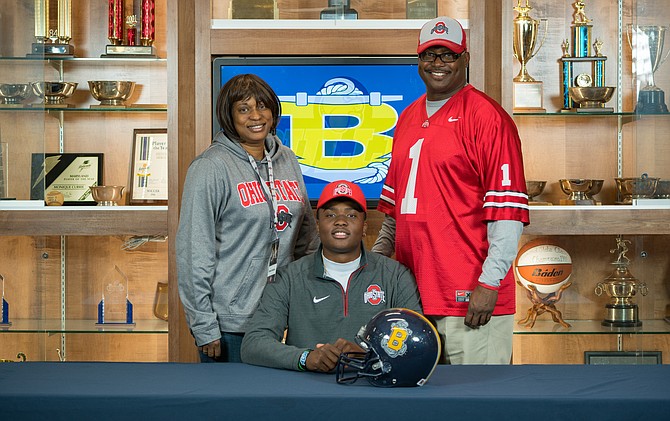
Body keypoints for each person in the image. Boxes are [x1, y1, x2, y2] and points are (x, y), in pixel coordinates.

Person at [372, 17, 530, 365]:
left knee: (478, 403)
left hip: (469, 298)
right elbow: (395, 214)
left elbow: (507, 214)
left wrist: (489, 285)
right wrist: (376, 268)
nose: (438, 64)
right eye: (430, 55)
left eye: (448, 55)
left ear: (465, 59)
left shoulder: (487, 117)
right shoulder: (408, 118)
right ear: (419, 60)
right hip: (413, 299)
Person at [177, 74, 319, 363]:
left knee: (282, 405)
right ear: (229, 116)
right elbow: (194, 252)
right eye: (243, 109)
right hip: (231, 323)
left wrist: (309, 304)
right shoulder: (210, 168)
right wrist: (204, 325)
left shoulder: (287, 159)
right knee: (231, 408)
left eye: (263, 106)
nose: (256, 116)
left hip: (283, 317)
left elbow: (308, 240)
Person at [241, 180, 422, 372]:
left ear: (365, 226)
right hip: (308, 390)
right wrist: (305, 357)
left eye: (351, 214)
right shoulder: (289, 278)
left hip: (372, 388)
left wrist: (370, 356)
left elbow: (416, 342)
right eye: (330, 214)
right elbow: (253, 343)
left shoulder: (395, 276)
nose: (341, 220)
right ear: (318, 226)